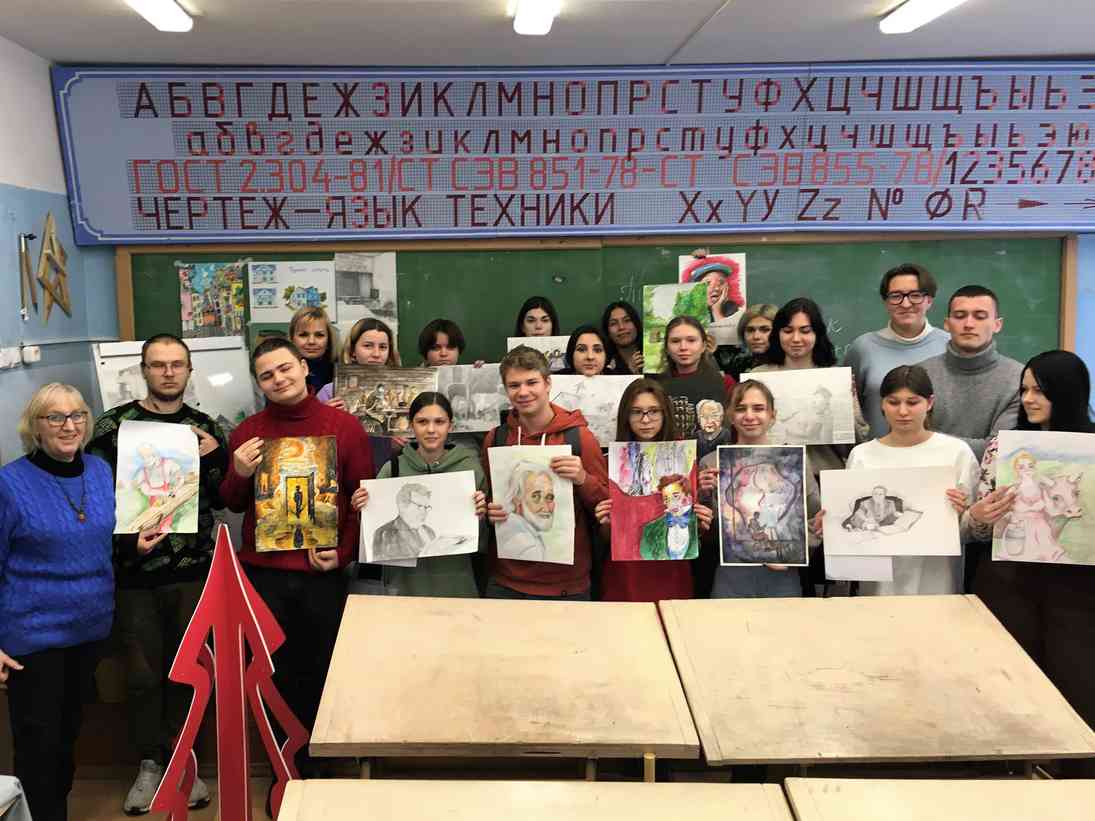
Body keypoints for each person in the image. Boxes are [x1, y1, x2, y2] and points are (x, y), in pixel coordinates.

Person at [219, 338, 373, 780]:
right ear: (259, 383)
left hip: (320, 573)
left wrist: (343, 553)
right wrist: (240, 472)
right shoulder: (248, 432)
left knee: (323, 669)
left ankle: (321, 766)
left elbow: (362, 499)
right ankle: (283, 770)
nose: (278, 379)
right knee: (275, 673)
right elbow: (232, 501)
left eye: (285, 368)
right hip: (264, 574)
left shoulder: (344, 427)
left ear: (304, 368)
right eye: (267, 375)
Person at [87, 334, 227, 814]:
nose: (168, 372)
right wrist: (126, 542)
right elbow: (96, 497)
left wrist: (217, 457)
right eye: (158, 364)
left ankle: (185, 762)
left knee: (188, 672)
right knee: (143, 675)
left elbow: (224, 497)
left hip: (192, 573)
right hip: (135, 574)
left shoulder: (205, 428)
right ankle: (150, 764)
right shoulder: (113, 427)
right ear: (143, 370)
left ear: (189, 371)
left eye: (176, 364)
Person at [2, 384, 151, 821]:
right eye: (55, 417)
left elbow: (99, 539)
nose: (69, 426)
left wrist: (133, 544)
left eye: (77, 415)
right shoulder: (9, 484)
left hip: (89, 633)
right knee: (39, 746)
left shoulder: (100, 471)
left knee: (66, 741)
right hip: (32, 638)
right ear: (35, 427)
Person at [963, 350, 1095, 773]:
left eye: (1040, 390)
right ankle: (1009, 771)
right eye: (1024, 389)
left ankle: (1076, 776)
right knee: (1010, 679)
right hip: (1009, 579)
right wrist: (978, 516)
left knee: (1077, 677)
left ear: (1068, 392)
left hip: (1078, 588)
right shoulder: (1004, 447)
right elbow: (978, 527)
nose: (1029, 399)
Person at [813, 365, 977, 596]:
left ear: (929, 403)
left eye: (912, 402)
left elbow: (970, 526)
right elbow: (851, 516)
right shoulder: (862, 455)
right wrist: (832, 523)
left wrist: (962, 512)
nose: (903, 411)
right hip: (877, 580)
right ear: (882, 404)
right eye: (893, 402)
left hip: (935, 574)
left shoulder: (956, 452)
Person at [483, 347, 609, 599]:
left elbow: (606, 505)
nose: (523, 392)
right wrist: (489, 511)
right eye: (514, 385)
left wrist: (583, 479)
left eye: (532, 382)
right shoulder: (496, 438)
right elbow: (489, 499)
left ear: (548, 383)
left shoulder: (579, 437)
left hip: (566, 584)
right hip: (505, 581)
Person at [351, 392, 487, 597]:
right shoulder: (393, 468)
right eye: (422, 422)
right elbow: (369, 529)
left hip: (456, 582)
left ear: (450, 426)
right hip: (403, 585)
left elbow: (483, 537)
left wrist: (482, 515)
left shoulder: (470, 469)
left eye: (439, 422)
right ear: (411, 425)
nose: (431, 429)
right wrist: (362, 508)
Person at [698, 380, 819, 598]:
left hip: (782, 575)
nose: (749, 416)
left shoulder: (794, 461)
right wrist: (703, 496)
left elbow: (814, 517)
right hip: (731, 576)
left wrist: (795, 552)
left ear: (773, 415)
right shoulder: (711, 462)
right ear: (730, 415)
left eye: (758, 408)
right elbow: (707, 534)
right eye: (740, 408)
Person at [595, 378, 710, 602]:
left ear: (665, 414)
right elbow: (608, 538)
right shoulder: (613, 463)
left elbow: (693, 533)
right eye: (636, 412)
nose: (645, 420)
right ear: (626, 416)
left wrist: (701, 524)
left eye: (654, 411)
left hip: (671, 571)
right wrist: (606, 522)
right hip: (626, 573)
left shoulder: (685, 459)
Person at [749, 298, 870, 478]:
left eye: (805, 331)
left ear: (817, 334)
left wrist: (845, 407)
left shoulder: (833, 379)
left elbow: (857, 444)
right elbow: (746, 436)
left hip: (825, 476)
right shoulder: (758, 376)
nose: (796, 339)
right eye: (788, 331)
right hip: (773, 475)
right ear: (777, 334)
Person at [916, 285, 1023, 461]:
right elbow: (906, 441)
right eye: (960, 316)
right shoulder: (919, 374)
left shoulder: (1019, 380)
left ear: (997, 325)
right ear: (947, 324)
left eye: (980, 317)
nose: (969, 324)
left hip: (991, 479)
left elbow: (997, 452)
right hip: (926, 475)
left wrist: (927, 441)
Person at [844, 263, 950, 438]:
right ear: (886, 302)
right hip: (877, 451)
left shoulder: (949, 345)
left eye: (915, 295)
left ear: (929, 300)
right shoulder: (863, 348)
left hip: (939, 452)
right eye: (896, 296)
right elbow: (850, 409)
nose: (906, 304)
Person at [317, 316, 403, 465]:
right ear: (352, 352)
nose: (376, 354)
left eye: (383, 347)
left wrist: (399, 443)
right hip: (343, 469)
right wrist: (325, 417)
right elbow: (315, 443)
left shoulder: (400, 391)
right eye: (368, 346)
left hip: (386, 471)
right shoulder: (329, 391)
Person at [497, 462, 559, 561]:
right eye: (536, 496)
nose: (545, 507)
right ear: (517, 500)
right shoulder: (529, 547)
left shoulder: (508, 527)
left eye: (549, 497)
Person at [371, 483, 436, 562]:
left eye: (426, 507)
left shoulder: (430, 532)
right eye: (419, 506)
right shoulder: (384, 534)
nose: (424, 512)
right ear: (402, 506)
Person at [714, 303, 777, 379]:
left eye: (765, 330)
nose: (756, 336)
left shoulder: (788, 364)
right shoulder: (739, 366)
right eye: (750, 330)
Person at [289, 306, 337, 395]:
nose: (311, 341)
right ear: (292, 339)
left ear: (329, 339)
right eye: (303, 335)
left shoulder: (340, 371)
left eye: (319, 335)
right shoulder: (282, 372)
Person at [601, 301, 643, 374]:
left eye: (627, 320)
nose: (621, 327)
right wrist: (630, 372)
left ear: (636, 324)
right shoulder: (604, 366)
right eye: (613, 323)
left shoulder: (651, 357)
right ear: (607, 331)